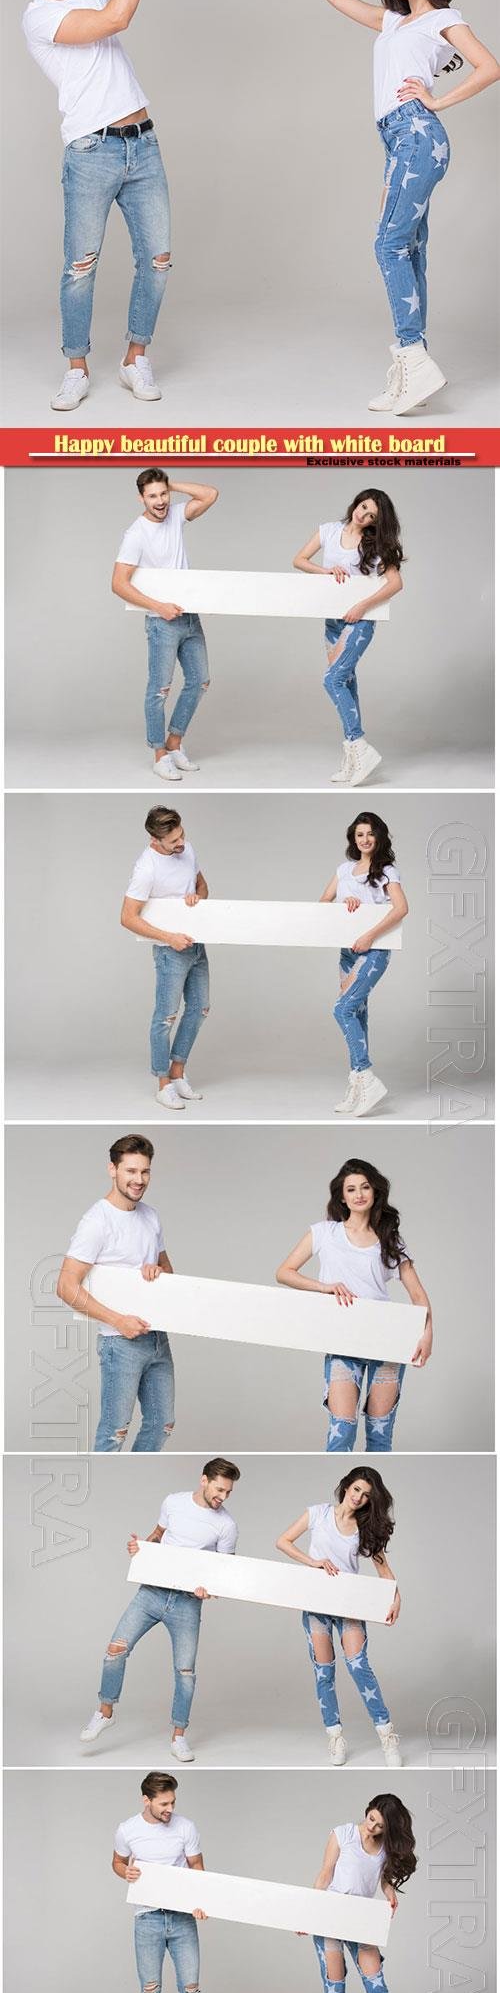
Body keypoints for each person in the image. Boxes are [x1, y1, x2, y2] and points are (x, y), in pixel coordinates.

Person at [325, 0, 500, 412]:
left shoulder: (442, 19)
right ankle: (413, 365)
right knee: (409, 246)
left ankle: (413, 358)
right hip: (396, 140)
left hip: (417, 134)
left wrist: (437, 99)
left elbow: (490, 66)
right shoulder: (392, 23)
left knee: (389, 244)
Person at [15, 0, 171, 409]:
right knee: (80, 267)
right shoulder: (39, 17)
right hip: (91, 151)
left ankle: (135, 359)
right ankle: (77, 367)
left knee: (157, 260)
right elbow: (114, 21)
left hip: (142, 144)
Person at [81, 1459, 240, 1761]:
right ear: (204, 1480)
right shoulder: (173, 1502)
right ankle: (105, 1712)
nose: (223, 1497)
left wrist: (210, 1590)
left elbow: (224, 1572)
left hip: (186, 1603)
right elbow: (156, 1535)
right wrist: (141, 1546)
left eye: (229, 1492)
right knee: (115, 1650)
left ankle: (179, 1736)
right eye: (220, 1489)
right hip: (151, 1594)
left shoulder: (226, 1524)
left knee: (185, 1672)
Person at [276, 1154, 432, 1454]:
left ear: (375, 1192)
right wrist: (325, 1287)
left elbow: (418, 1295)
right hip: (342, 1340)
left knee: (380, 1437)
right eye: (351, 1189)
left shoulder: (390, 1239)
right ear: (342, 1197)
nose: (359, 1194)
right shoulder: (324, 1233)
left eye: (365, 1187)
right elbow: (284, 1272)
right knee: (341, 1435)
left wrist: (427, 1333)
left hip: (387, 1342)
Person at [56, 1132, 175, 1452]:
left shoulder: (151, 1216)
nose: (139, 1180)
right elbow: (66, 1286)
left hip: (157, 1337)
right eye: (131, 1171)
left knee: (162, 1424)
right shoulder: (97, 1221)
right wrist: (118, 1320)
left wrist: (157, 1272)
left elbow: (169, 1272)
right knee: (114, 1431)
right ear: (113, 1170)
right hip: (120, 1343)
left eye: (145, 1171)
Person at [277, 1467, 402, 1765]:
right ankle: (335, 1737)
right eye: (356, 1489)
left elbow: (384, 1571)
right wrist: (314, 1562)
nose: (359, 1498)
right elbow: (283, 1541)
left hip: (349, 1605)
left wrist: (396, 1597)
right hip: (317, 1604)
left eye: (366, 1495)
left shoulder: (365, 1527)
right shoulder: (318, 1514)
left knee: (358, 1666)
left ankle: (387, 1737)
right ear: (346, 1486)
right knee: (324, 1673)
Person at [112, 469, 218, 780]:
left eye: (163, 494)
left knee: (200, 681)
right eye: (152, 496)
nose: (160, 501)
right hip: (162, 622)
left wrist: (170, 484)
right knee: (159, 690)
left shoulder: (174, 515)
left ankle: (174, 744)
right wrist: (159, 607)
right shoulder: (135, 534)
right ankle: (160, 754)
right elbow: (118, 584)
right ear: (141, 498)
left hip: (189, 615)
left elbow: (210, 494)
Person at [293, 489, 404, 783]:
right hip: (332, 621)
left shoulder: (376, 544)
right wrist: (326, 571)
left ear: (375, 522)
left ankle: (359, 745)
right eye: (363, 506)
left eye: (371, 516)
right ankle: (352, 758)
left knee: (333, 679)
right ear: (357, 502)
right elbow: (299, 560)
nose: (363, 515)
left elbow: (395, 583)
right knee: (347, 682)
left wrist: (362, 605)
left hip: (360, 620)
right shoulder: (328, 531)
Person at [309, 1795, 416, 1993]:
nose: (373, 1828)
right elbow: (325, 1874)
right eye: (372, 1820)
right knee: (335, 1988)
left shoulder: (383, 1848)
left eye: (380, 1827)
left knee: (377, 1986)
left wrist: (391, 1893)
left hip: (361, 1921)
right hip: (330, 1917)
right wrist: (306, 1914)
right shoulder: (342, 1834)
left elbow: (382, 1878)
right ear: (367, 1810)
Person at [112, 1769, 206, 1993]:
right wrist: (124, 1872)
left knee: (190, 1988)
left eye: (173, 1803)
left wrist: (202, 1901)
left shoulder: (186, 1827)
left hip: (182, 1918)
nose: (170, 1809)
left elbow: (197, 1868)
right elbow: (117, 1861)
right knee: (150, 1991)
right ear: (147, 1800)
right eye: (164, 1803)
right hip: (147, 1919)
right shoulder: (127, 1829)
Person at [121, 807, 209, 1110]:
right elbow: (127, 917)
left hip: (197, 943)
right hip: (170, 950)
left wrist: (197, 896)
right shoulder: (147, 869)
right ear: (155, 839)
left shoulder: (188, 848)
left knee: (199, 1009)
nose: (181, 842)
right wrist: (170, 938)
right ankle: (163, 1084)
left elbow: (202, 885)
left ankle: (178, 1074)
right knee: (165, 1017)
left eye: (182, 834)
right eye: (173, 841)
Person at [321, 812, 408, 1114]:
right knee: (356, 1014)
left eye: (370, 834)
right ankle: (357, 1085)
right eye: (360, 834)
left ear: (379, 836)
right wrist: (344, 903)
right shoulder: (344, 870)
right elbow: (321, 904)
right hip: (348, 953)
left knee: (341, 1009)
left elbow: (401, 909)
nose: (365, 839)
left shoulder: (386, 870)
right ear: (353, 838)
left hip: (374, 950)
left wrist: (370, 935)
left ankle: (366, 1076)